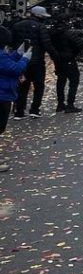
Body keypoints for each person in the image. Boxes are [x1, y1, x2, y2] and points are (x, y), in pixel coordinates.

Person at [11, 6, 57, 119]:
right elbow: (47, 44)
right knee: (39, 86)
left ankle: (19, 111)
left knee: (22, 86)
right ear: (39, 16)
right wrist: (55, 56)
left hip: (21, 61)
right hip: (37, 62)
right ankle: (34, 110)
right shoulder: (41, 27)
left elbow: (12, 42)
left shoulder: (17, 25)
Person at [0, 25, 30, 169]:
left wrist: (18, 54)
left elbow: (7, 63)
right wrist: (24, 59)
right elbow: (14, 69)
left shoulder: (2, 55)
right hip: (2, 94)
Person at [51, 15, 83, 114]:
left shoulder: (52, 33)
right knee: (74, 81)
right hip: (69, 59)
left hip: (58, 59)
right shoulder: (69, 33)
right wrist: (74, 54)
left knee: (61, 81)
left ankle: (60, 104)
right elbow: (79, 45)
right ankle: (70, 104)